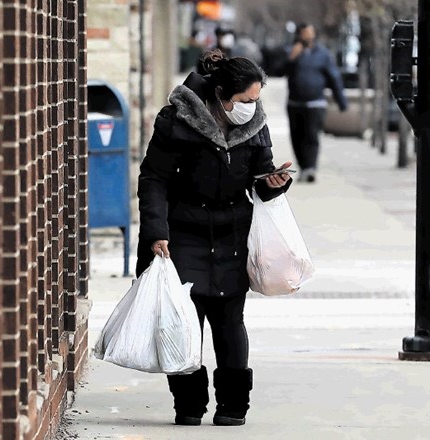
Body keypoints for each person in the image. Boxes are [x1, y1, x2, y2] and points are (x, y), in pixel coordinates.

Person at [136, 49, 293, 427]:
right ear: (221, 94)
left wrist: (275, 184)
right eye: (244, 101)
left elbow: (260, 177)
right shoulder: (177, 120)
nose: (250, 108)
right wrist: (157, 231)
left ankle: (233, 406)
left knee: (229, 320)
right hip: (182, 232)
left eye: (256, 101)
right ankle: (188, 406)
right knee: (183, 321)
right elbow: (153, 178)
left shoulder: (255, 124)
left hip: (232, 232)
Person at [284, 23, 347, 183]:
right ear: (298, 35)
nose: (307, 36)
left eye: (309, 33)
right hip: (295, 103)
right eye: (304, 33)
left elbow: (334, 77)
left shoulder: (323, 54)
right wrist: (291, 59)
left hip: (315, 103)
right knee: (296, 137)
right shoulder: (291, 51)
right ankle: (304, 166)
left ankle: (310, 168)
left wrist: (341, 101)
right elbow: (276, 71)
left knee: (312, 136)